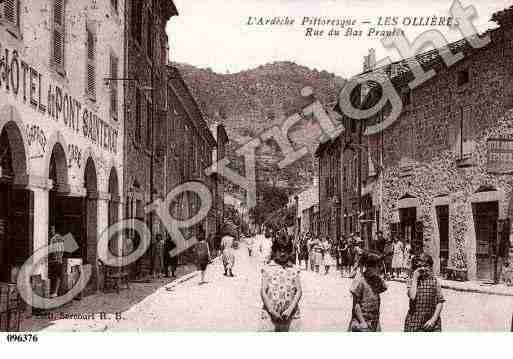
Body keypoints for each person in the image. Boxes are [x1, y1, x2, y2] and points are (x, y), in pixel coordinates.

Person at [260, 233, 302, 332]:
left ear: (290, 252)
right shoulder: (268, 268)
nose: (283, 254)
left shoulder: (293, 269)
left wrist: (290, 310)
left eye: (286, 251)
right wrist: (271, 311)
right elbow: (263, 291)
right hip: (271, 315)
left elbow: (299, 291)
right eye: (280, 251)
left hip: (290, 315)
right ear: (274, 251)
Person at [404, 253, 445, 332]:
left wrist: (433, 319)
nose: (422, 268)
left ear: (430, 267)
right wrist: (415, 278)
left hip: (431, 321)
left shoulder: (434, 281)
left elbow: (440, 301)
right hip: (414, 321)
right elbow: (412, 296)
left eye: (426, 266)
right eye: (419, 266)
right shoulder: (411, 281)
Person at [348, 252, 387, 332]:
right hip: (362, 319)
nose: (381, 269)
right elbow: (356, 304)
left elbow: (384, 288)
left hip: (375, 320)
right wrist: (362, 322)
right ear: (370, 267)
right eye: (378, 266)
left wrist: (381, 277)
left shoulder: (377, 279)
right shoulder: (360, 281)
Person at [48, 227, 64, 298]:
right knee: (58, 276)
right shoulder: (61, 238)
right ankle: (56, 292)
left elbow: (51, 250)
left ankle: (54, 292)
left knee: (55, 276)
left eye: (52, 229)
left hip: (54, 260)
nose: (51, 231)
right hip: (58, 260)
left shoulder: (53, 239)